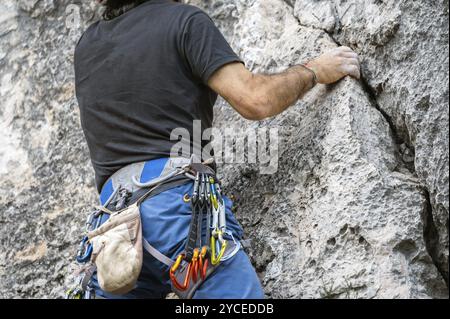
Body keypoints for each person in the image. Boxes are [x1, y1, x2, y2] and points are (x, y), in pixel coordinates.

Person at [74, 0, 360, 299]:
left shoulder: (87, 47)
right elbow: (255, 99)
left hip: (113, 227)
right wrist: (313, 70)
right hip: (177, 210)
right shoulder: (183, 22)